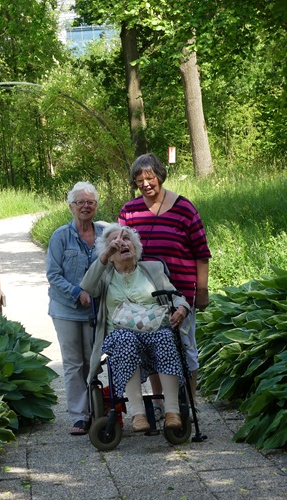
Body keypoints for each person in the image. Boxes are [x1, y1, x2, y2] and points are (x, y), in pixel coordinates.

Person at [118, 153, 211, 416]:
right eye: (139, 180)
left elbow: (201, 253)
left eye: (150, 178)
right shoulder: (130, 210)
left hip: (181, 292)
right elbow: (121, 247)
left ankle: (189, 403)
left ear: (160, 175)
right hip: (145, 295)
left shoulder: (184, 209)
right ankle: (161, 404)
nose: (146, 184)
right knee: (154, 348)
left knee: (186, 349)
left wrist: (201, 292)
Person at [80, 223, 190, 432]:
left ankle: (172, 411)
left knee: (166, 338)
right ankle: (138, 414)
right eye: (115, 242)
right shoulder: (103, 276)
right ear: (110, 254)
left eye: (126, 239)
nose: (122, 243)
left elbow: (177, 296)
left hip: (154, 330)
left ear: (136, 246)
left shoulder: (153, 269)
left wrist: (182, 309)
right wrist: (106, 254)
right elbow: (87, 287)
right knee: (125, 340)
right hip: (120, 334)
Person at [46, 181, 106, 436]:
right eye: (80, 202)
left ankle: (98, 408)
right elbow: (53, 274)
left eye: (90, 202)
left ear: (96, 206)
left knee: (93, 362)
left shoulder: (105, 232)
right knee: (73, 363)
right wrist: (77, 292)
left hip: (98, 310)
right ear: (71, 206)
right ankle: (80, 417)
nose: (85, 206)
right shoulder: (61, 236)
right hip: (67, 310)